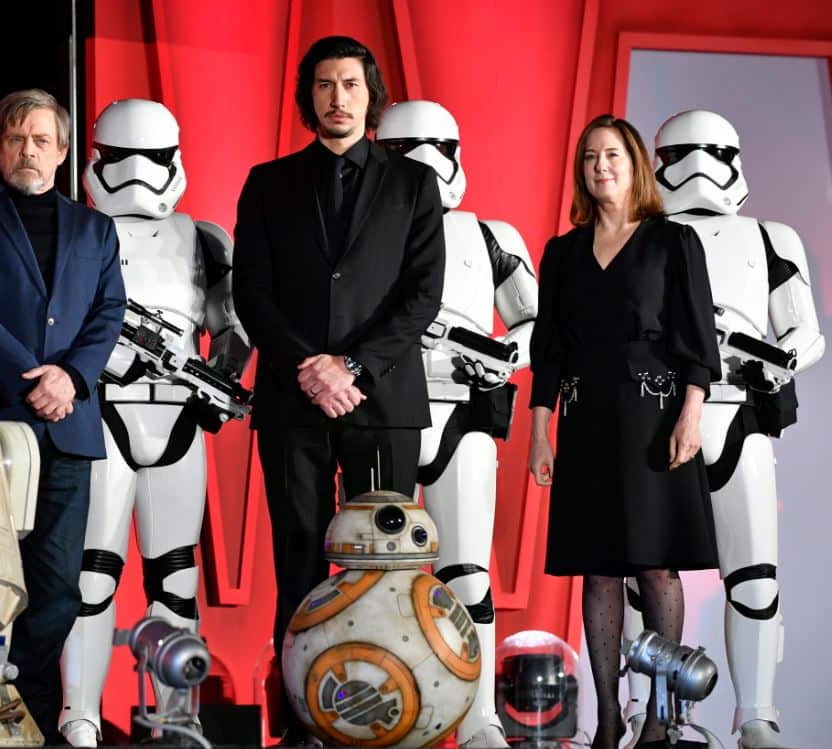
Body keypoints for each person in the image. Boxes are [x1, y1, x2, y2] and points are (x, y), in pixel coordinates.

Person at [233, 35, 445, 743]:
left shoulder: (414, 184)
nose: (337, 97)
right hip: (294, 400)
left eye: (350, 84)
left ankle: (384, 715)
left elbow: (421, 296)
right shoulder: (267, 182)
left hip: (381, 402)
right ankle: (301, 718)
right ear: (308, 98)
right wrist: (309, 366)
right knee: (297, 551)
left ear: (371, 95)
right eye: (324, 84)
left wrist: (350, 367)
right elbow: (251, 293)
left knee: (383, 565)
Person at [621, 110, 825, 749]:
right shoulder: (636, 236)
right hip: (657, 409)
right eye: (683, 153)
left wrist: (780, 358)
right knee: (641, 574)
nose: (698, 165)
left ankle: (755, 713)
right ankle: (642, 712)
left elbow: (805, 329)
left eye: (712, 151)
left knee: (755, 575)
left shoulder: (770, 238)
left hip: (739, 409)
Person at [57, 98, 252, 747]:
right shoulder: (78, 231)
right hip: (102, 410)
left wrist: (218, 374)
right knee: (92, 574)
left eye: (152, 159)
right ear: (98, 160)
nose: (139, 174)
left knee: (174, 574)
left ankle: (177, 710)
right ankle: (80, 709)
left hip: (178, 414)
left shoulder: (203, 237)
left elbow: (232, 328)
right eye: (124, 159)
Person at [0, 88, 126, 738]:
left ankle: (25, 709)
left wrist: (69, 376)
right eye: (16, 138)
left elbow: (109, 313)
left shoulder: (96, 228)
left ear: (63, 149)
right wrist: (33, 375)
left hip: (68, 425)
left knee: (58, 587)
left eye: (41, 139)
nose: (28, 150)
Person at [527, 114, 721, 749]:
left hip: (656, 419)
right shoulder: (561, 252)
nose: (600, 166)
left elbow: (698, 340)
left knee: (657, 568)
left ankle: (663, 720)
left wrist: (691, 414)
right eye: (589, 158)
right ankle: (609, 718)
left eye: (611, 154)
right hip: (585, 423)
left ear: (636, 164)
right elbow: (548, 348)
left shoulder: (672, 242)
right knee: (598, 571)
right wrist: (538, 429)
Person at [376, 99, 539, 749]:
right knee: (377, 573)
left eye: (432, 148)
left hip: (462, 408)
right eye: (402, 151)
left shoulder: (490, 237)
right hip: (380, 410)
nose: (421, 166)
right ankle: (385, 710)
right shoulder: (358, 238)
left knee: (467, 572)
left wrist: (501, 359)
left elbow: (537, 323)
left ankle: (477, 719)